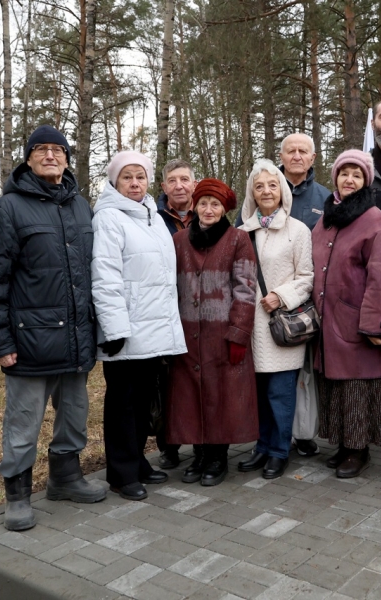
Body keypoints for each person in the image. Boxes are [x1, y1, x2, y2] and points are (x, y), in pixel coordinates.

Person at [0, 125, 106, 531]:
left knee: (74, 415)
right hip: (30, 341)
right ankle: (16, 494)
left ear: (68, 158)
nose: (50, 155)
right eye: (41, 150)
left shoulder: (82, 206)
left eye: (58, 150)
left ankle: (65, 477)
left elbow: (91, 274)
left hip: (76, 338)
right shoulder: (8, 209)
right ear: (28, 158)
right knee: (23, 421)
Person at [91, 150, 187, 501]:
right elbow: (105, 275)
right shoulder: (109, 217)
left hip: (154, 326)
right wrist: (114, 329)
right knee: (123, 404)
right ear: (115, 181)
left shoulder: (152, 215)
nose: (134, 183)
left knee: (144, 399)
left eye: (140, 176)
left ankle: (138, 461)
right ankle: (121, 472)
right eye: (127, 177)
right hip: (127, 328)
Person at [312, 150, 381, 478]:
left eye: (356, 174)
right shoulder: (326, 217)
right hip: (327, 319)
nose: (349, 179)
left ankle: (359, 450)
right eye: (344, 173)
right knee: (336, 386)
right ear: (335, 178)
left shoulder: (373, 217)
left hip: (357, 318)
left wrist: (377, 322)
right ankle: (344, 445)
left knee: (357, 387)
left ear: (365, 181)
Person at [167, 179, 258, 486]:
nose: (208, 209)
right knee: (190, 396)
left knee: (222, 396)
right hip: (187, 333)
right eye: (203, 203)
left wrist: (238, 333)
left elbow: (246, 289)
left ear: (224, 209)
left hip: (222, 334)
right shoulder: (179, 240)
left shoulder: (238, 239)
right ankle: (199, 455)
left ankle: (217, 457)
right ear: (194, 206)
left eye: (215, 204)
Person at [237, 159, 314, 479]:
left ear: (282, 191)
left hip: (281, 326)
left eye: (272, 185)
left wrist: (281, 295)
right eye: (259, 186)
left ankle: (280, 451)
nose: (266, 191)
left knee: (280, 395)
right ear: (251, 194)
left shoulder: (298, 230)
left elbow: (307, 278)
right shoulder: (241, 233)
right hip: (250, 328)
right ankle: (262, 446)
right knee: (256, 394)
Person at [155, 159, 198, 470]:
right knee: (166, 383)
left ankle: (201, 441)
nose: (180, 185)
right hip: (164, 310)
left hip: (201, 312)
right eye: (173, 180)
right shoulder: (153, 219)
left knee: (197, 379)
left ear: (194, 184)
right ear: (164, 187)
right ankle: (168, 446)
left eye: (185, 179)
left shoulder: (211, 212)